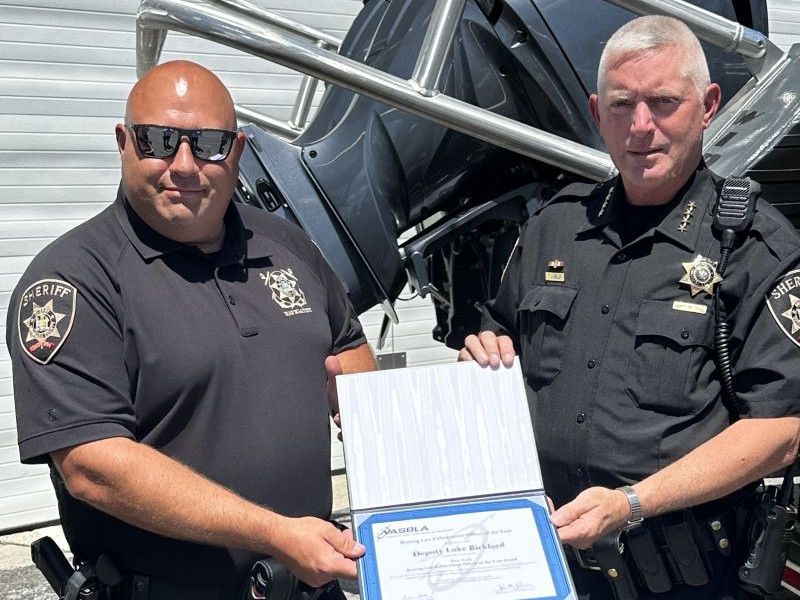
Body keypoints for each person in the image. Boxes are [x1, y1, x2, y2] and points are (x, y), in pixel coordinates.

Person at [8, 60, 376, 600]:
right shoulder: (73, 280)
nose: (184, 165)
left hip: (310, 584)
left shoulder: (289, 246)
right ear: (123, 142)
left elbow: (350, 352)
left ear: (238, 151)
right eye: (158, 140)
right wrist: (275, 533)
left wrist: (390, 413)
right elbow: (92, 465)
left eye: (208, 144)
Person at [460, 15, 800, 600]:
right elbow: (499, 336)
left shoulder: (754, 247)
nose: (642, 126)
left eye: (664, 102)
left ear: (708, 106)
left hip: (683, 579)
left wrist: (631, 503)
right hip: (542, 568)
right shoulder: (552, 228)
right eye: (622, 105)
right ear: (598, 113)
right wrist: (483, 352)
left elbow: (780, 430)